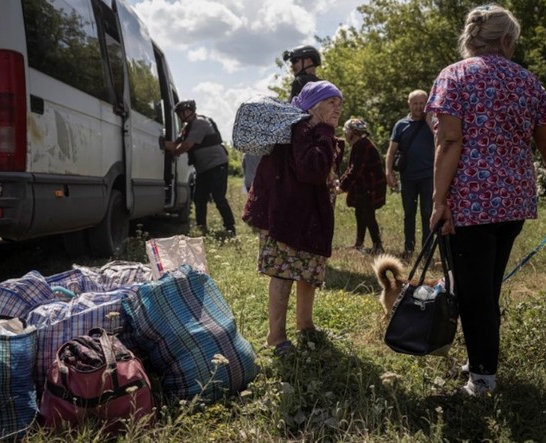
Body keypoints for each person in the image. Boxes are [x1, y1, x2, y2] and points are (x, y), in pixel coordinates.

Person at [425, 4, 546, 396]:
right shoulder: (529, 82)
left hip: (470, 202)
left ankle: (483, 379)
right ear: (507, 40)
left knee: (475, 289)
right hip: (513, 202)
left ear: (471, 38)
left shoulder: (454, 76)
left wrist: (439, 200)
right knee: (484, 286)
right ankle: (479, 356)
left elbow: (449, 141)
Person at [242, 80, 344, 355]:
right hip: (285, 215)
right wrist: (325, 132)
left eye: (339, 103)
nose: (337, 108)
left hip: (307, 215)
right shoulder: (301, 128)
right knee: (283, 273)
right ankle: (276, 337)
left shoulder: (313, 129)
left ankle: (305, 324)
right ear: (313, 106)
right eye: (330, 102)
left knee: (308, 271)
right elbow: (310, 169)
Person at [165, 100, 236, 234]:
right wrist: (162, 143)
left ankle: (230, 228)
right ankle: (201, 227)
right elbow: (175, 145)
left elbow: (186, 145)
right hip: (203, 168)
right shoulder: (187, 128)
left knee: (219, 198)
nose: (180, 116)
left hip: (216, 165)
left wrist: (174, 153)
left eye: (181, 113)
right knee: (199, 199)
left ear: (188, 111)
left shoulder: (200, 123)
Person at [385, 90, 435, 258]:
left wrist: (429, 121)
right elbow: (391, 152)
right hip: (408, 177)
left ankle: (427, 252)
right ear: (409, 104)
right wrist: (388, 172)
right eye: (415, 103)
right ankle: (409, 249)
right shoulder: (401, 125)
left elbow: (441, 140)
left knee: (428, 213)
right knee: (409, 214)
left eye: (422, 103)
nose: (419, 107)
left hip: (428, 177)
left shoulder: (432, 123)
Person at [337, 118, 387, 253]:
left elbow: (355, 170)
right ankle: (359, 244)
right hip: (365, 187)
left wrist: (342, 188)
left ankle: (378, 246)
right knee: (360, 213)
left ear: (353, 132)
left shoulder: (362, 145)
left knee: (368, 215)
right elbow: (350, 168)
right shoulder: (359, 144)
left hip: (371, 188)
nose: (345, 134)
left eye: (346, 131)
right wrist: (340, 182)